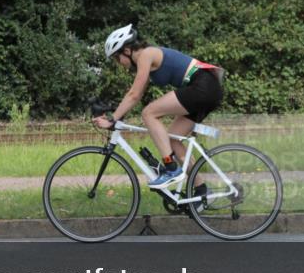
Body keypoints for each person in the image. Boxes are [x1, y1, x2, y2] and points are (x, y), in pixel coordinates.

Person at [93, 24, 224, 191]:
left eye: (117, 58)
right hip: (207, 87)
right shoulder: (146, 59)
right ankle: (201, 191)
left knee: (149, 113)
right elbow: (135, 96)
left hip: (203, 85)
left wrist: (112, 119)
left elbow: (134, 94)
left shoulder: (146, 54)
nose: (118, 63)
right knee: (174, 141)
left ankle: (171, 168)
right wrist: (117, 114)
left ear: (126, 50)